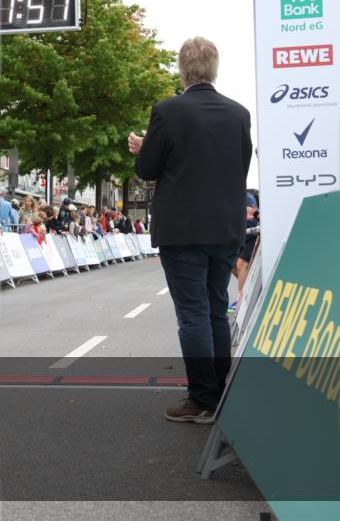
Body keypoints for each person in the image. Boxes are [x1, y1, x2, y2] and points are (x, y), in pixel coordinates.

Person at [129, 36, 252, 424]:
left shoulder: (168, 111)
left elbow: (147, 168)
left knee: (193, 314)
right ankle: (219, 393)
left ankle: (201, 398)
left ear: (182, 71)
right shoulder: (239, 113)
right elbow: (242, 165)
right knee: (216, 308)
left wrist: (143, 147)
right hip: (226, 226)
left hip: (182, 229)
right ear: (215, 69)